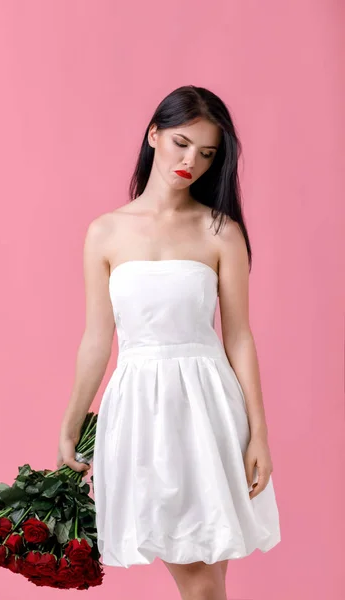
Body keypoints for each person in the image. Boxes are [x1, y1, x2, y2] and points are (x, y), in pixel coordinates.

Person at [57, 84, 281, 600]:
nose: (191, 162)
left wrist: (259, 434)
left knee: (205, 573)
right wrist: (71, 423)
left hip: (208, 406)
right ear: (153, 134)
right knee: (202, 574)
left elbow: (240, 336)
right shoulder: (106, 232)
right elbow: (97, 339)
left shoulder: (220, 231)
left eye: (206, 154)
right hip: (139, 408)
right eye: (181, 143)